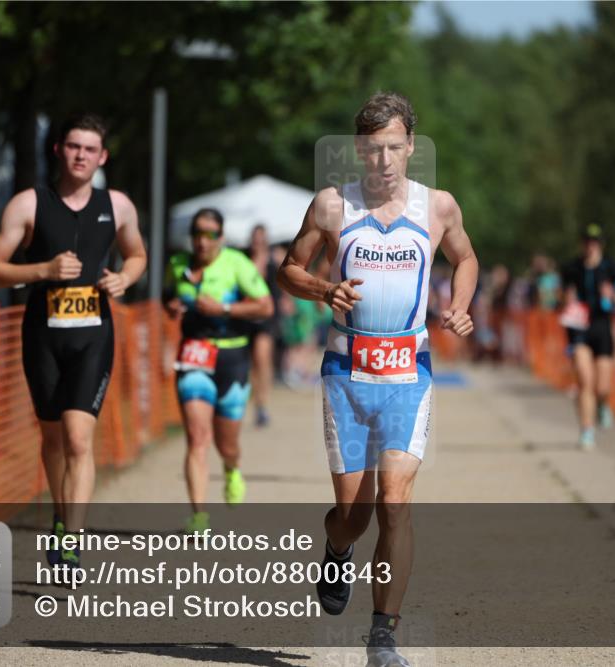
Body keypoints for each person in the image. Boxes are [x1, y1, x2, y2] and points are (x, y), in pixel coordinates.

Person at [277, 91, 477, 667]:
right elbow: (289, 269)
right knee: (354, 516)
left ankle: (383, 636)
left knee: (395, 501)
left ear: (410, 145)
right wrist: (324, 289)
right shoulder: (331, 206)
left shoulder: (438, 207)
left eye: (393, 147)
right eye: (371, 149)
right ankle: (336, 547)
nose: (383, 161)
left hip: (408, 372)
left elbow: (466, 259)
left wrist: (460, 305)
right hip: (346, 372)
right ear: (357, 150)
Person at [0, 113, 147, 572]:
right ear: (59, 149)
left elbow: (137, 253)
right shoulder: (28, 204)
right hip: (42, 335)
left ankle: (71, 542)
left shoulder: (118, 205)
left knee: (79, 438)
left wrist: (125, 278)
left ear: (103, 157)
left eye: (90, 149)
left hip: (93, 337)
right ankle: (61, 516)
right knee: (53, 437)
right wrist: (43, 270)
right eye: (74, 146)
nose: (81, 156)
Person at [164, 208, 274, 534]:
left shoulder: (237, 264)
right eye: (197, 233)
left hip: (232, 358)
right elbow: (168, 296)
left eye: (210, 234)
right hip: (194, 355)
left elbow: (265, 306)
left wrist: (223, 308)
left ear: (221, 237)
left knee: (227, 445)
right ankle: (199, 517)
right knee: (197, 437)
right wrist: (172, 306)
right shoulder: (178, 264)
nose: (202, 241)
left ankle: (231, 467)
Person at [559, 224, 615, 450]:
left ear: (601, 244)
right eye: (587, 241)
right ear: (582, 243)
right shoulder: (571, 268)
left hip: (602, 328)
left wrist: (614, 296)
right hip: (578, 328)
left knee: (602, 387)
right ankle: (587, 430)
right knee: (585, 381)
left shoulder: (611, 267)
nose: (590, 246)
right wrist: (566, 299)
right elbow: (560, 297)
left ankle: (602, 404)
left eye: (595, 242)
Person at [246, 224, 280, 427]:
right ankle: (255, 402)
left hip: (266, 318)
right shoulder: (244, 260)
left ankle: (262, 404)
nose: (258, 242)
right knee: (251, 364)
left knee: (262, 359)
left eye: (261, 239)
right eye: (255, 238)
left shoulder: (273, 261)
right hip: (246, 317)